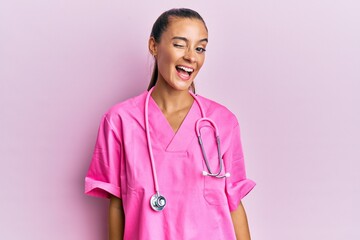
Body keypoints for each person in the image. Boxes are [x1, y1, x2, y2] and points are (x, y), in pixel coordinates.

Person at [85, 8, 256, 240]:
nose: (191, 57)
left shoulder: (222, 122)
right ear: (154, 46)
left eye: (200, 48)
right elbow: (116, 205)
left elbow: (234, 204)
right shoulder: (120, 121)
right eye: (179, 44)